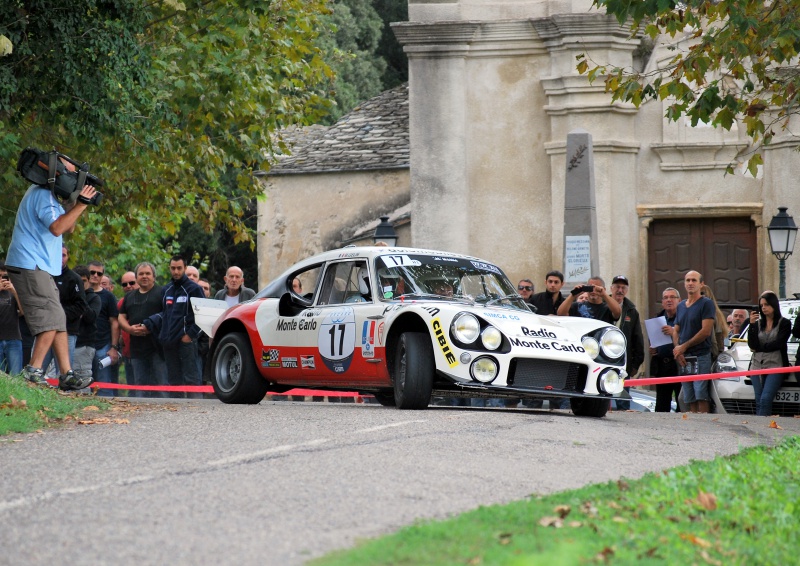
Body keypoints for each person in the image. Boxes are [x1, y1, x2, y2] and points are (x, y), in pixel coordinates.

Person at [4, 156, 97, 390]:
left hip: (37, 266)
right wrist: (82, 204)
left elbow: (69, 225)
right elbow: (57, 228)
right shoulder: (42, 194)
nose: (74, 180)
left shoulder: (49, 196)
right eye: (72, 175)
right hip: (31, 265)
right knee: (50, 318)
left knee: (57, 318)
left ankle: (67, 374)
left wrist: (76, 202)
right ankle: (33, 371)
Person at [144, 255, 205, 396]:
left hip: (186, 342)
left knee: (191, 380)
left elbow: (204, 316)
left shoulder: (194, 289)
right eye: (173, 268)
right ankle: (175, 413)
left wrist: (190, 335)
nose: (176, 272)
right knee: (173, 381)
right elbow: (164, 315)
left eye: (179, 268)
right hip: (169, 343)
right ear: (169, 269)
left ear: (185, 268)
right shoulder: (166, 290)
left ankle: (196, 412)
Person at [119, 262, 168, 397]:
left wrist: (150, 326)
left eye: (147, 273)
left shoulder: (162, 292)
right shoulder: (129, 296)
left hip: (158, 347)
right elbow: (121, 317)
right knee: (140, 386)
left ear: (154, 276)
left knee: (162, 385)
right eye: (141, 274)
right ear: (136, 277)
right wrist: (129, 329)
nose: (144, 276)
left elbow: (168, 314)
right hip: (137, 348)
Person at [673, 270, 715, 413]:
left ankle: (705, 426)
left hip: (701, 355)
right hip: (684, 357)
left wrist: (683, 346)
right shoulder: (680, 306)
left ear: (701, 284)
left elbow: (706, 331)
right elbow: (676, 330)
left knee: (701, 395)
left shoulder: (706, 304)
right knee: (689, 396)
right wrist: (678, 350)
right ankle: (693, 426)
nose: (690, 283)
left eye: (694, 280)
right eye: (688, 280)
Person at [41, 245, 86, 376]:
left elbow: (81, 305)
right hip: (44, 329)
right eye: (57, 254)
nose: (60, 258)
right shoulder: (43, 275)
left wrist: (59, 315)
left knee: (64, 372)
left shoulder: (74, 278)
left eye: (63, 255)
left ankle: (64, 393)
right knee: (37, 369)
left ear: (68, 257)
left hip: (67, 331)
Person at [747, 291, 791, 416]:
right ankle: (759, 429)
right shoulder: (758, 323)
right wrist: (752, 325)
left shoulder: (784, 323)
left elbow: (779, 343)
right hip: (756, 365)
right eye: (761, 305)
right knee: (759, 399)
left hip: (775, 365)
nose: (763, 308)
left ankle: (764, 430)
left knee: (766, 399)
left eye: (766, 304)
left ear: (774, 305)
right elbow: (752, 344)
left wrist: (760, 347)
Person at [610, 275, 644, 410]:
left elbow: (637, 339)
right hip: (603, 358)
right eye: (617, 287)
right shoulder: (603, 305)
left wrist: (635, 364)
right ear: (611, 288)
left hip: (623, 363)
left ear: (627, 290)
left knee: (622, 399)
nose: (620, 290)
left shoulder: (632, 311)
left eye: (623, 288)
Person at [88, 260, 120, 396]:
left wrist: (114, 347)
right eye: (92, 272)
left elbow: (115, 322)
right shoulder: (81, 293)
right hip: (83, 344)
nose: (95, 275)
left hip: (103, 345)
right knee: (82, 382)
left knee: (104, 384)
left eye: (99, 273)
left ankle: (108, 414)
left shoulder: (109, 297)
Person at [650, 287, 682, 412]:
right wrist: (653, 349)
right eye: (666, 298)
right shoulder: (658, 319)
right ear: (662, 302)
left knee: (681, 402)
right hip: (662, 365)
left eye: (672, 297)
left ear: (679, 300)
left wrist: (674, 332)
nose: (669, 300)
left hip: (679, 365)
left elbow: (689, 337)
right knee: (661, 405)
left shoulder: (683, 317)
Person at [72, 265, 101, 390]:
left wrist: (81, 298)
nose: (80, 284)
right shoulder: (67, 298)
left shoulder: (94, 298)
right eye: (77, 281)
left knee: (82, 379)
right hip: (67, 342)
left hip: (84, 344)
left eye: (83, 281)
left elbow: (90, 317)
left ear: (89, 281)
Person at [557, 276, 621, 323]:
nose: (593, 291)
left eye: (596, 288)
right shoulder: (577, 306)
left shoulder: (607, 308)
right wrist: (572, 295)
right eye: (590, 288)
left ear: (604, 289)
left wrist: (604, 295)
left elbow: (618, 312)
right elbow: (560, 314)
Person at [0, 262, 24, 375]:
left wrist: (14, 292)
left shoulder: (13, 291)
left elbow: (23, 312)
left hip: (13, 338)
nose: (2, 279)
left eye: (4, 276)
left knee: (16, 376)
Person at [118, 271, 138, 393]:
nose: (128, 286)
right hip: (127, 352)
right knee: (132, 387)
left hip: (145, 352)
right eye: (125, 284)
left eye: (132, 283)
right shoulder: (121, 302)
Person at [700, 284, 729, 362]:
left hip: (711, 354)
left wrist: (717, 355)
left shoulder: (715, 314)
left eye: (702, 293)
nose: (700, 296)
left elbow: (718, 338)